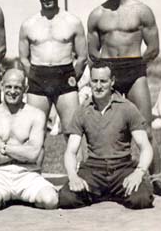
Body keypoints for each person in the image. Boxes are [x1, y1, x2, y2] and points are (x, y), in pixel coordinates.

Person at [88, 0, 161, 196]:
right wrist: (104, 73)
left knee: (144, 128)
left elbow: (153, 47)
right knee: (106, 128)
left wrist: (135, 66)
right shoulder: (96, 15)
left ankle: (155, 178)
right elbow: (93, 52)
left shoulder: (141, 10)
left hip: (134, 69)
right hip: (109, 73)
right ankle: (106, 179)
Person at [58, 62, 154, 209]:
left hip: (122, 167)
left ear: (112, 81)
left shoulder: (127, 108)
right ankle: (103, 192)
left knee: (141, 199)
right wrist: (73, 176)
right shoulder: (82, 110)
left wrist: (139, 172)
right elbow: (71, 151)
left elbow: (145, 146)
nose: (98, 86)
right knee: (66, 198)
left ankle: (116, 191)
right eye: (94, 81)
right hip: (93, 169)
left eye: (103, 81)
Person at [19, 0, 86, 144]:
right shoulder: (28, 24)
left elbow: (82, 57)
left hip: (65, 76)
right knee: (35, 132)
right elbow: (24, 58)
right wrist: (33, 76)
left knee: (72, 132)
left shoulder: (73, 22)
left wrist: (71, 78)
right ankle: (33, 171)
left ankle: (76, 170)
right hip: (38, 77)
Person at [0, 67, 58, 211]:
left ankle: (25, 197)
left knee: (50, 200)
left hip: (28, 173)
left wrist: (4, 148)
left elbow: (34, 154)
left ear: (25, 88)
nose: (12, 91)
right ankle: (3, 198)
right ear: (1, 86)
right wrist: (23, 152)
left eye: (17, 87)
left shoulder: (36, 115)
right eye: (8, 86)